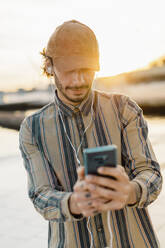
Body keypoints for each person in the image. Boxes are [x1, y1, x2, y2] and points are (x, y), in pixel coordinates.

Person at [19, 20, 162, 248]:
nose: (78, 81)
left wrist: (130, 192)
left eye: (86, 71)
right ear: (49, 66)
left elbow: (151, 174)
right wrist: (74, 203)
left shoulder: (124, 109)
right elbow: (40, 196)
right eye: (68, 72)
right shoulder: (31, 128)